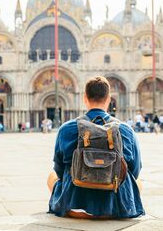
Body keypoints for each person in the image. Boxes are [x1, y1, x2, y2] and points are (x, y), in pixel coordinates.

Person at [47, 76, 144, 219]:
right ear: (109, 99)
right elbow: (134, 170)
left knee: (52, 177)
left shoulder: (66, 129)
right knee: (138, 182)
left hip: (73, 207)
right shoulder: (125, 129)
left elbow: (60, 171)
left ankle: (78, 204)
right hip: (117, 207)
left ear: (85, 98)